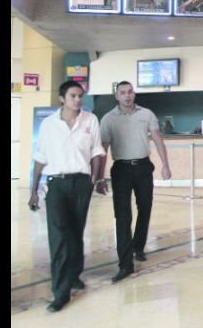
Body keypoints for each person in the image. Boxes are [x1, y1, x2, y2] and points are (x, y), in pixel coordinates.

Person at [28, 80, 106, 312]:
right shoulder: (49, 125)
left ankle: (74, 275)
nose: (78, 100)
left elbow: (97, 151)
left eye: (80, 96)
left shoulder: (90, 120)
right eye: (73, 96)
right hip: (57, 185)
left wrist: (95, 179)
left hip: (81, 183)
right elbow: (40, 158)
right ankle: (60, 293)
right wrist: (33, 191)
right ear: (62, 99)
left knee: (75, 232)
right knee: (59, 237)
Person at [98, 81, 172, 283]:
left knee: (145, 208)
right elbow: (103, 149)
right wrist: (99, 176)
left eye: (130, 92)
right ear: (117, 96)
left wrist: (165, 165)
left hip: (143, 167)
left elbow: (158, 140)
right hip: (121, 169)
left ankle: (138, 246)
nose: (127, 96)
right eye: (122, 93)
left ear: (134, 94)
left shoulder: (146, 114)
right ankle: (125, 264)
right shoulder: (108, 119)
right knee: (122, 216)